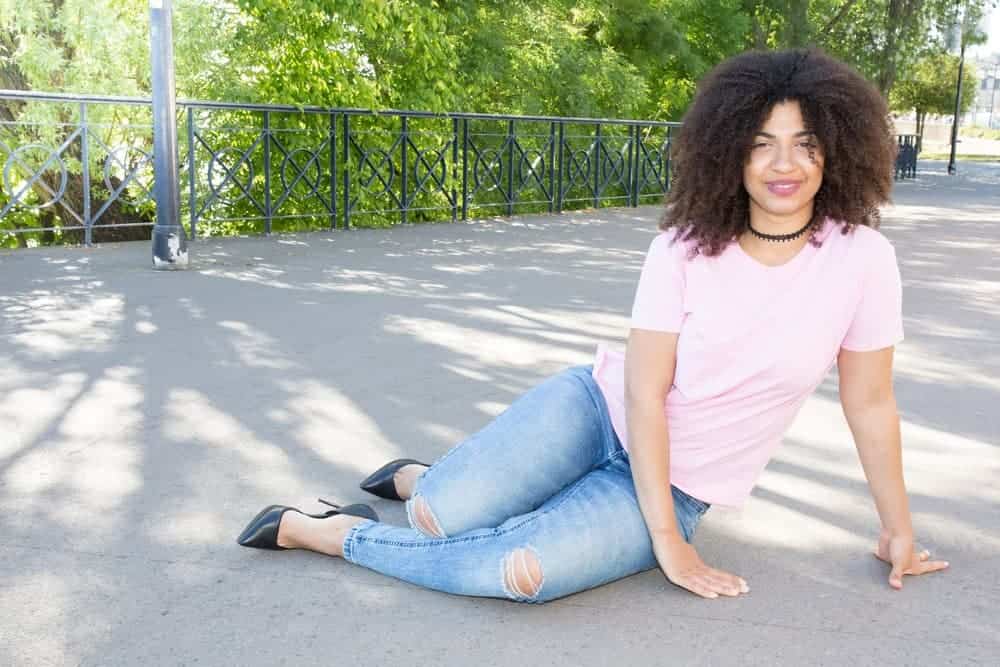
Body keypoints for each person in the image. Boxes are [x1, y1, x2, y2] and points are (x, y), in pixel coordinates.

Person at [236, 48, 950, 603]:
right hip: (597, 412)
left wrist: (897, 528)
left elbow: (870, 402)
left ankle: (335, 534)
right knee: (435, 517)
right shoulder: (684, 246)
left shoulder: (864, 261)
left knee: (522, 570)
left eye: (804, 143)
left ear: (836, 148)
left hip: (679, 481)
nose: (784, 164)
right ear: (730, 151)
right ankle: (428, 484)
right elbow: (644, 395)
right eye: (761, 143)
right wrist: (666, 547)